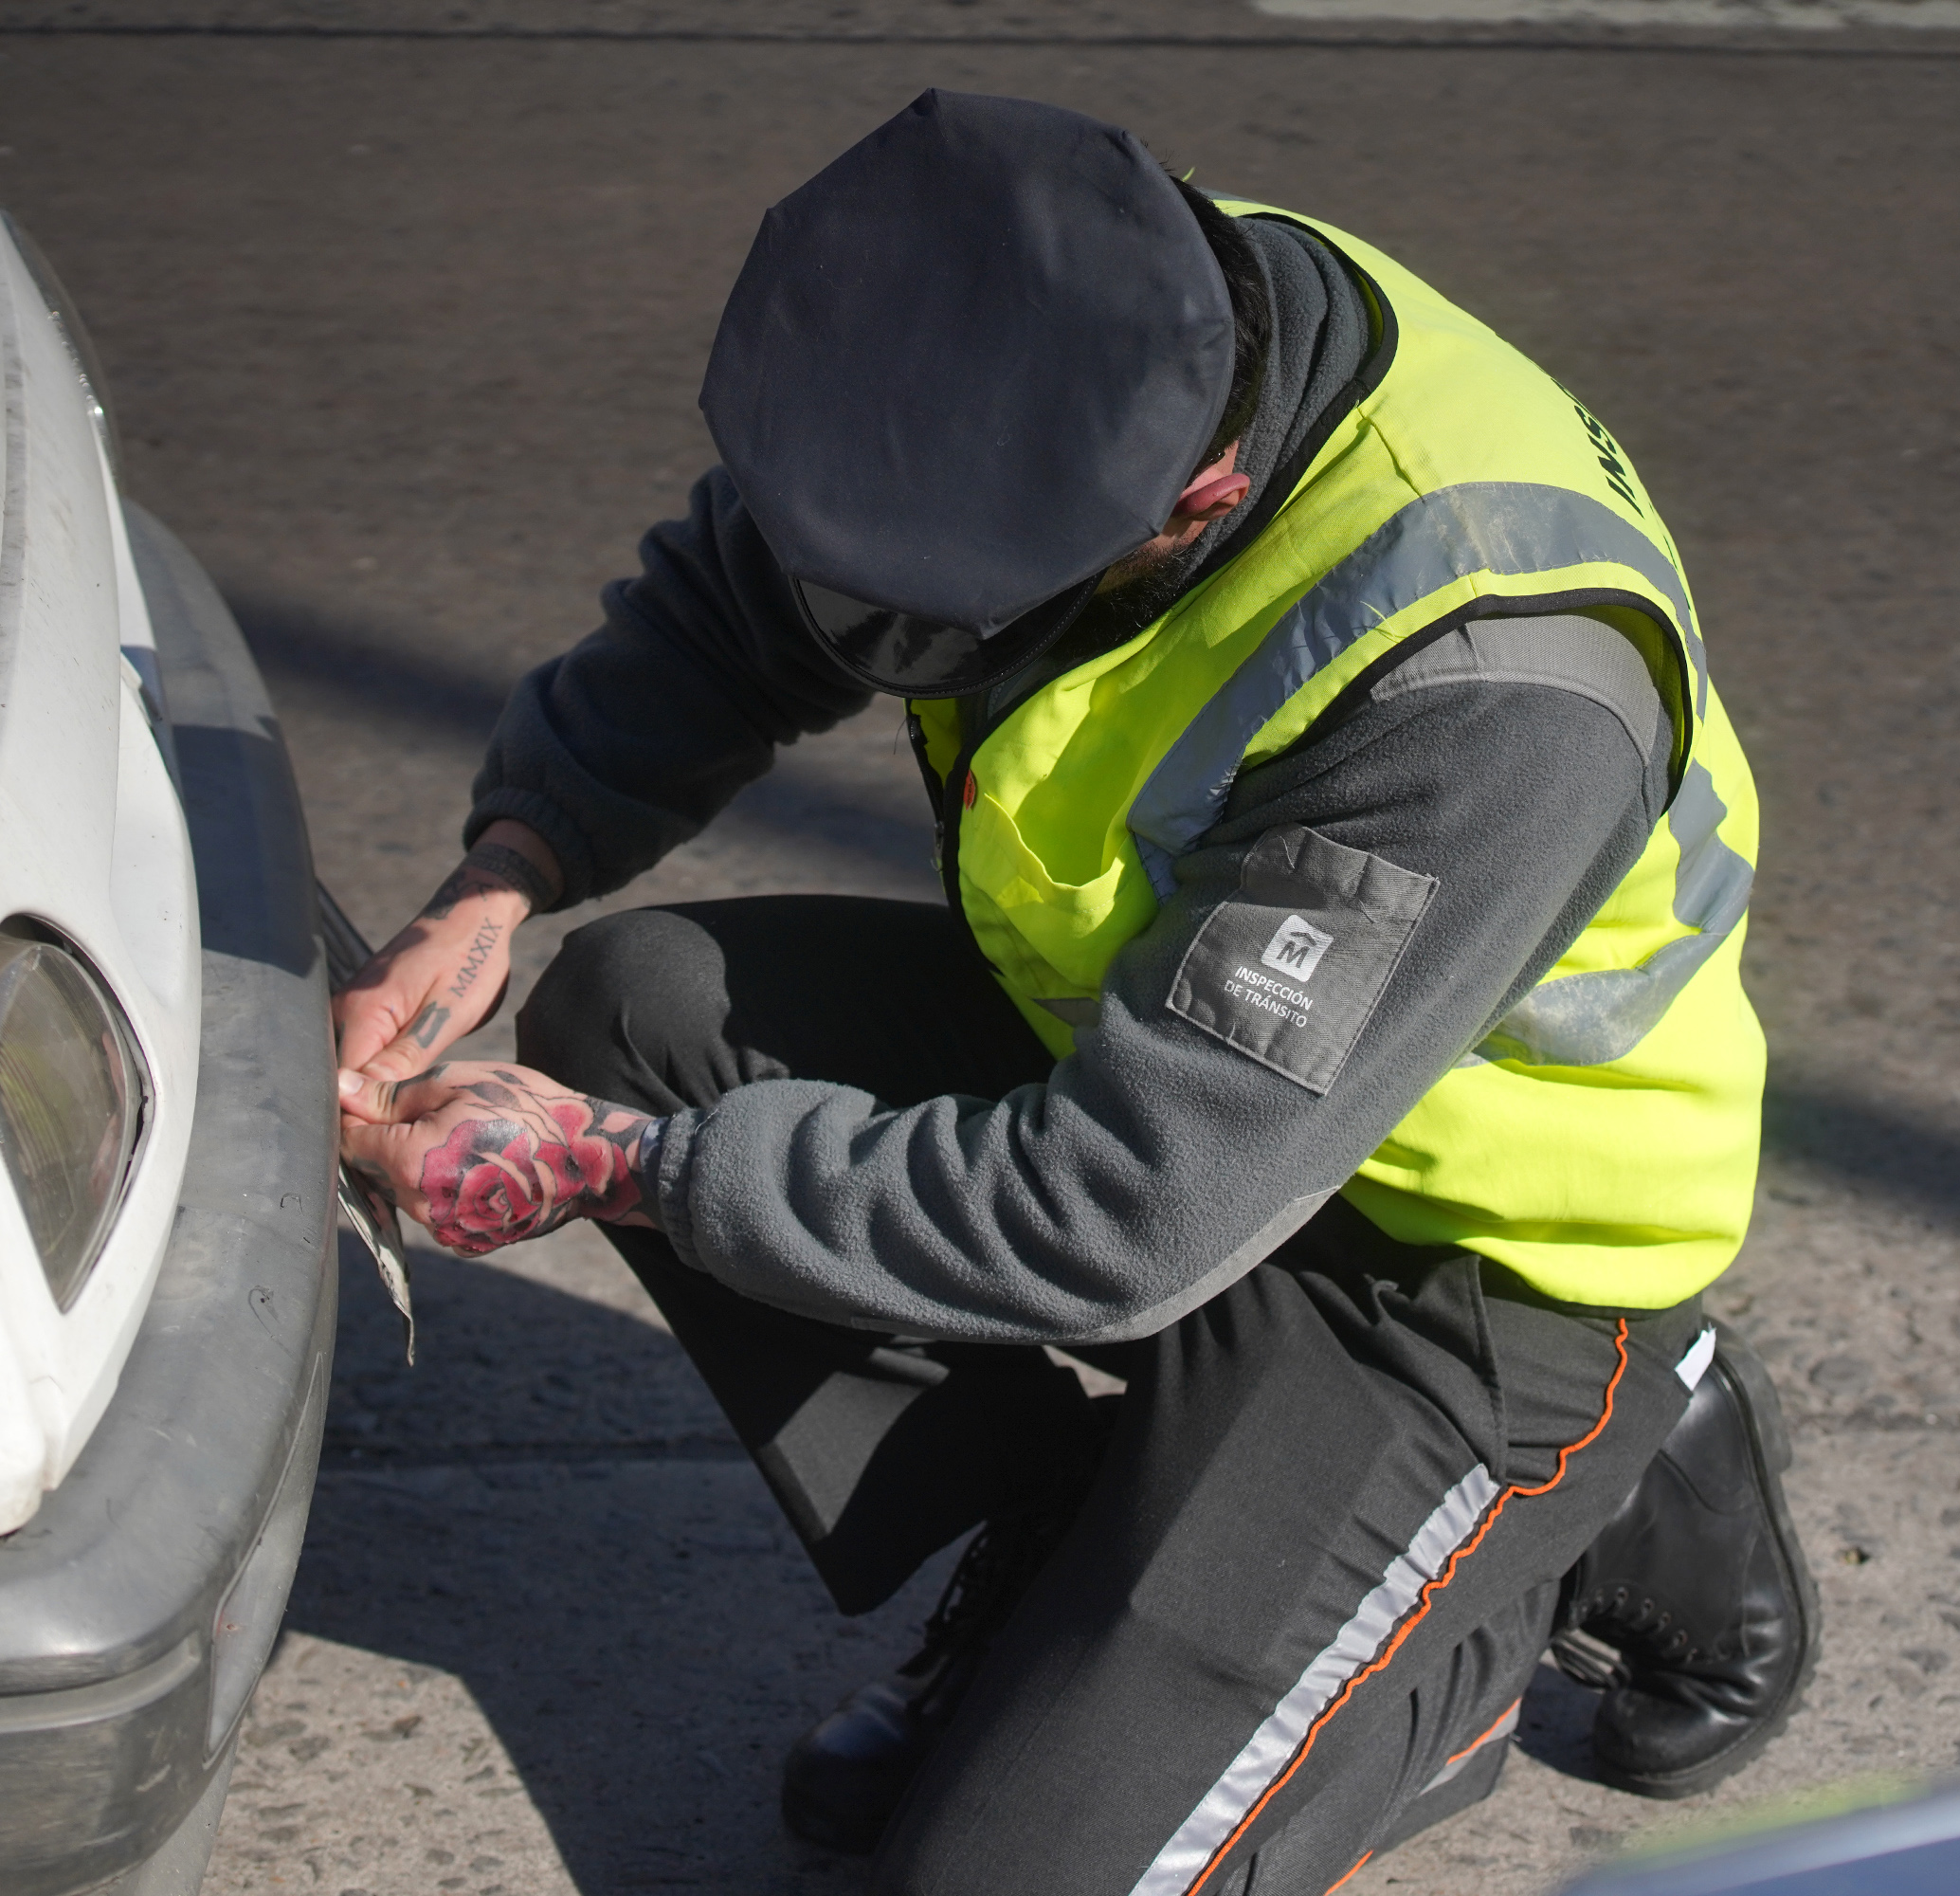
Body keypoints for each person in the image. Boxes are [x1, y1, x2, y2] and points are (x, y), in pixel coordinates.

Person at [333, 90, 1816, 1896]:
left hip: (1459, 1277)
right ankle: (1060, 1553)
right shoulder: (1067, 327)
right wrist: (504, 872)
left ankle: (1488, 1607)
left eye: (915, 619)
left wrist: (614, 1169)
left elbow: (1120, 1212)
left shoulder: (1493, 691)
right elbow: (737, 610)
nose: (861, 633)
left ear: (1189, 500)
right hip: (1167, 1070)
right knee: (632, 1004)